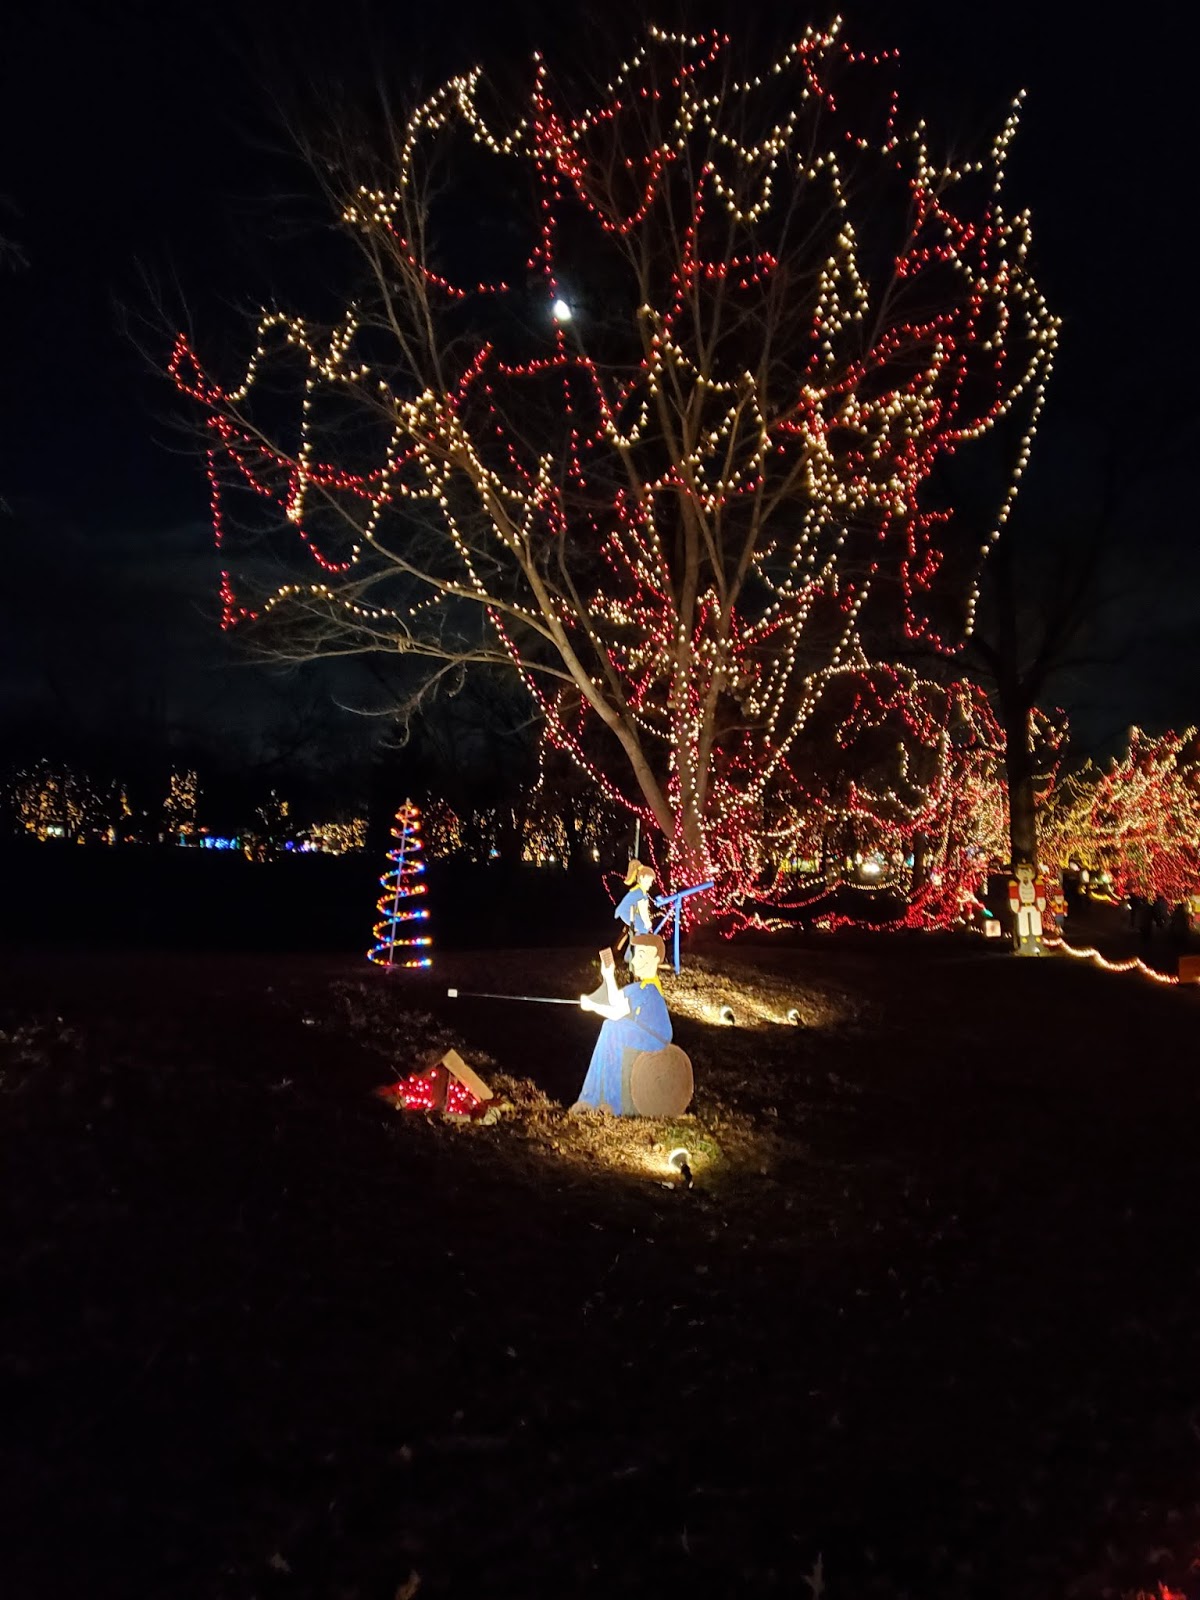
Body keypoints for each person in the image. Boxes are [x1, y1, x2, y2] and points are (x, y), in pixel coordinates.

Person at [571, 935, 671, 1115]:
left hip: (655, 1036)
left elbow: (618, 1013)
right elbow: (617, 1000)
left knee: (613, 1028)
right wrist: (609, 975)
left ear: (656, 959)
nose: (635, 960)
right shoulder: (640, 986)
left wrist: (592, 1006)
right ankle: (590, 1098)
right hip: (643, 1030)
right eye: (636, 955)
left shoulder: (650, 988)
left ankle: (612, 1103)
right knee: (610, 1026)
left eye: (642, 955)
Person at [614, 859, 656, 962]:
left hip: (628, 912)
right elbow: (643, 910)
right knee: (643, 927)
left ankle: (632, 955)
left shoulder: (641, 891)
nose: (650, 884)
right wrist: (648, 922)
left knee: (642, 928)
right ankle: (630, 956)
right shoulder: (639, 892)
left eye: (651, 882)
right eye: (648, 881)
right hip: (626, 912)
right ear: (641, 878)